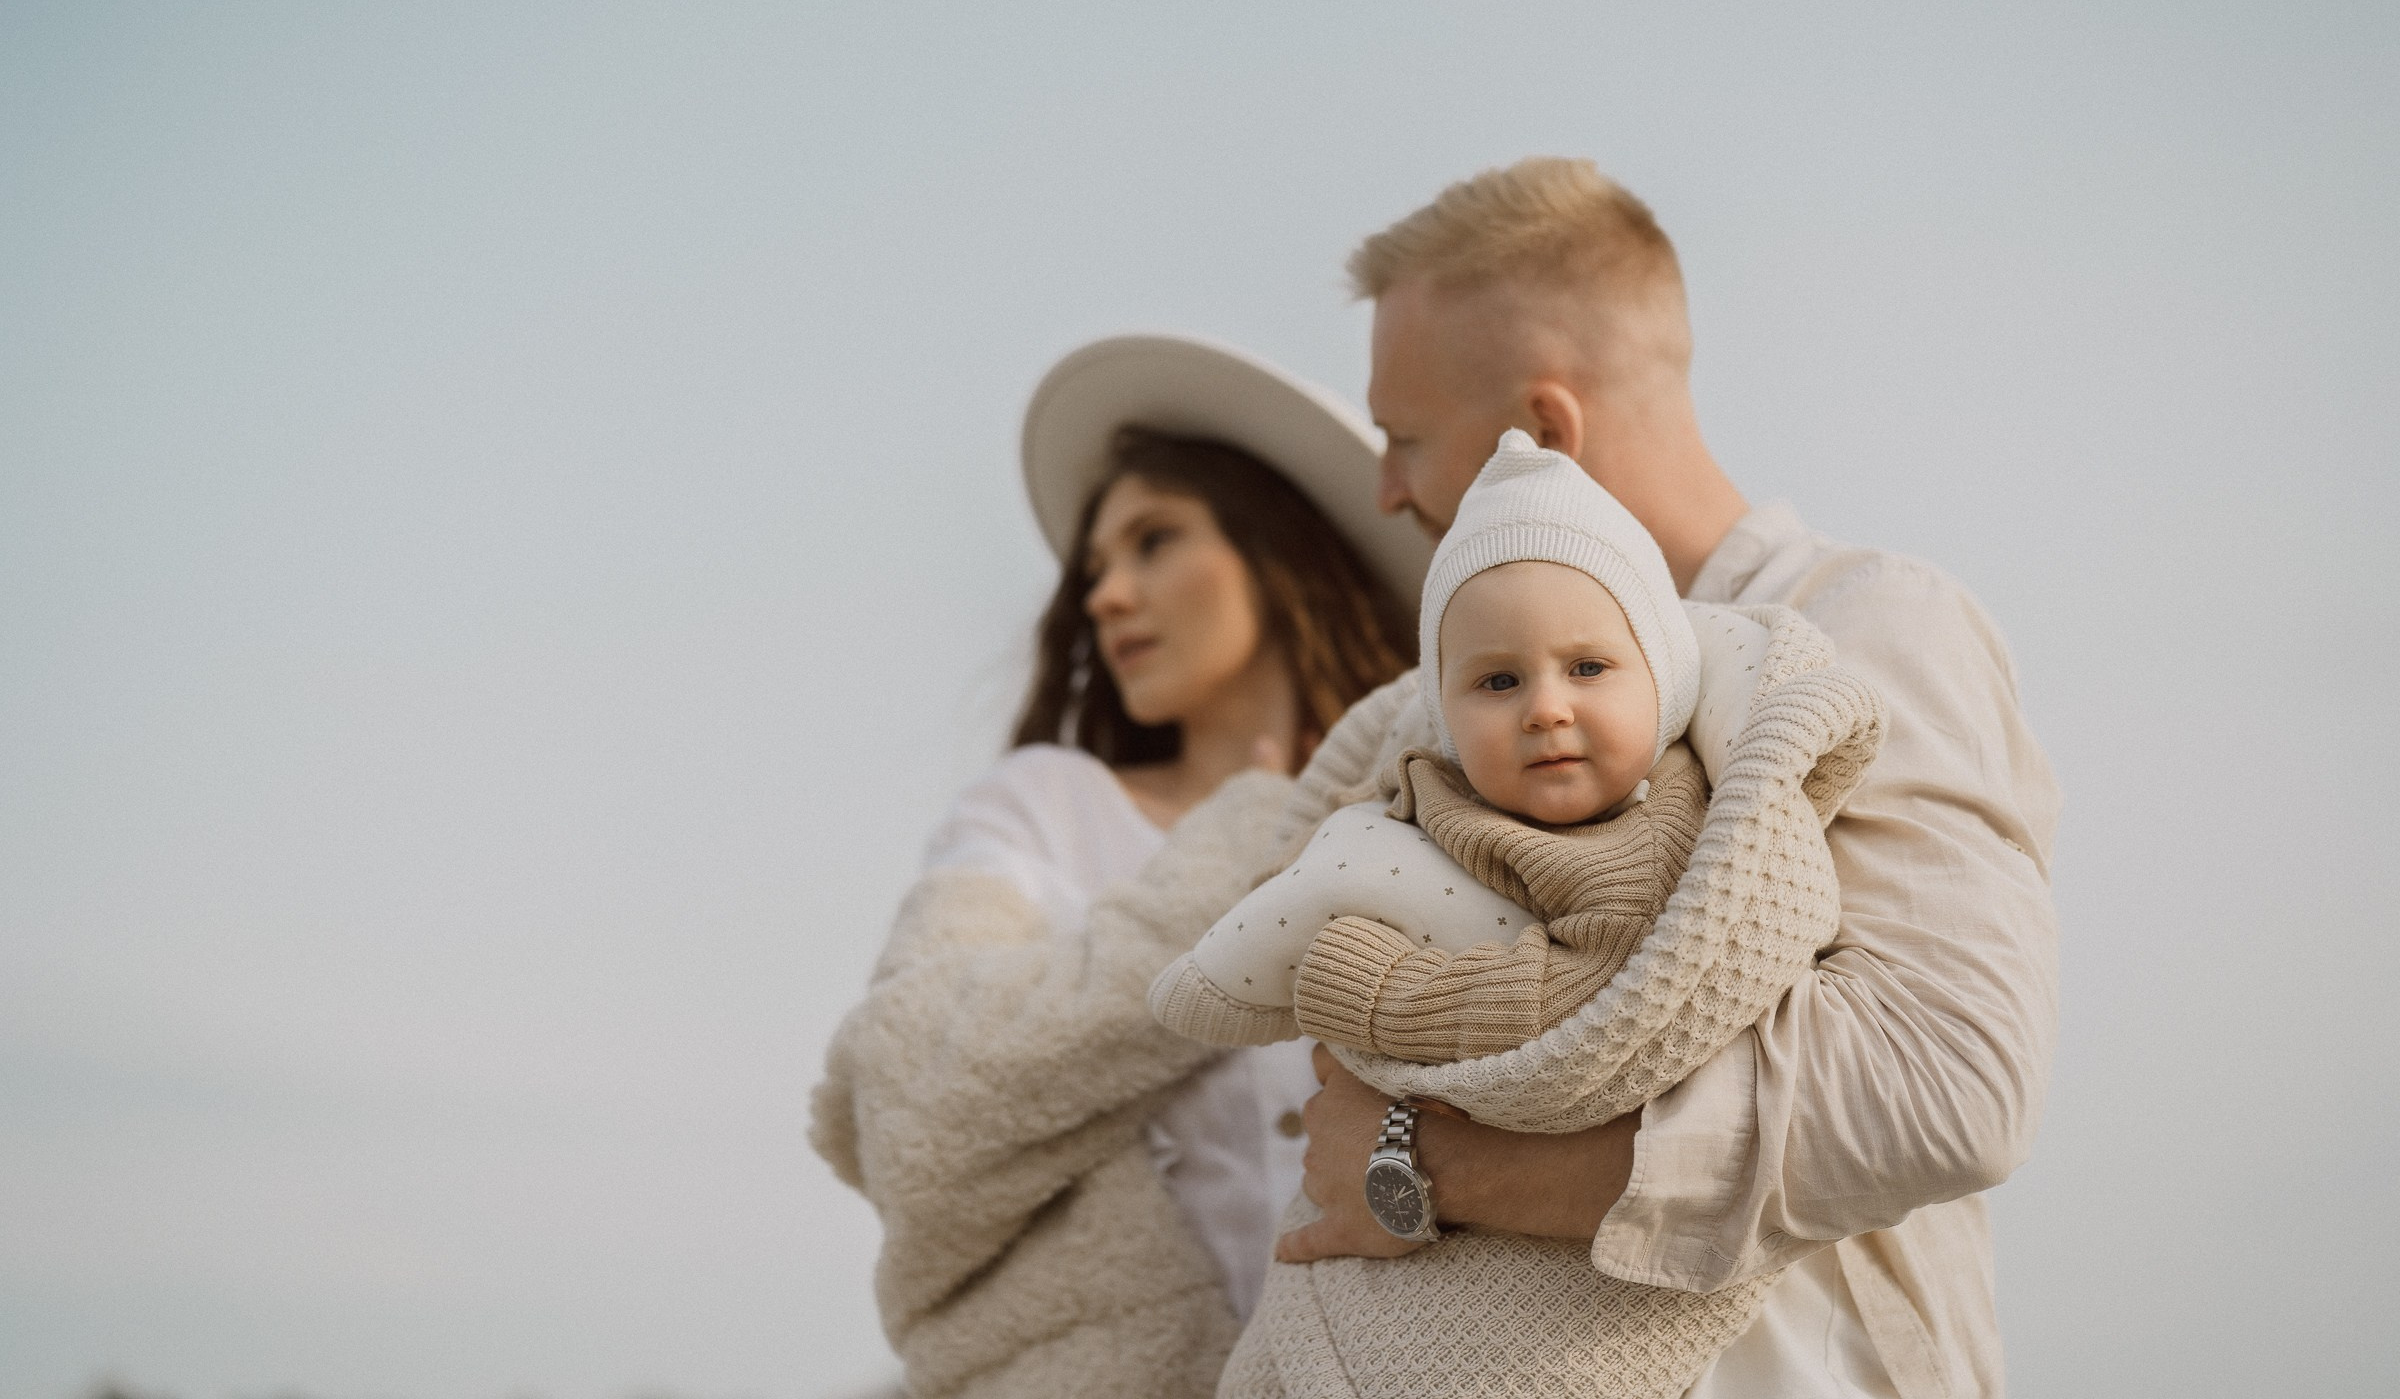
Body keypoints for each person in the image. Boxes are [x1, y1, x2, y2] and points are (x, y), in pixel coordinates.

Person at [1265, 158, 2060, 1399]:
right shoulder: (1436, 727)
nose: (1387, 490)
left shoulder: (1866, 623)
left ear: (1544, 436)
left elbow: (1943, 1088)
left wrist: (1426, 1165)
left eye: (1404, 438)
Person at [1147, 430, 1884, 1397]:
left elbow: (1591, 988)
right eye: (1497, 681)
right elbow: (1327, 860)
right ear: (1446, 712)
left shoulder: (1651, 829)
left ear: (1661, 682)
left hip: (1546, 1262)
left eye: (1589, 668)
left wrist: (1367, 989)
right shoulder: (1430, 790)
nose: (1544, 708)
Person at [808, 335, 1427, 1399]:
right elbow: (916, 1096)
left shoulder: (1425, 822)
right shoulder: (1045, 807)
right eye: (1096, 570)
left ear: (1281, 550)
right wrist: (1248, 849)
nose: (1105, 595)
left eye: (1154, 540)